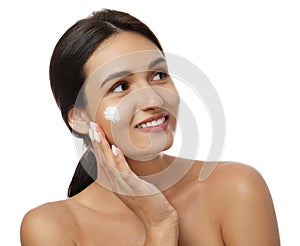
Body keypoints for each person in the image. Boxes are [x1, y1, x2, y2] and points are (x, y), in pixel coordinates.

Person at [20, 9, 280, 245]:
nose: (155, 99)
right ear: (79, 117)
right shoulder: (51, 228)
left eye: (159, 76)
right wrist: (159, 226)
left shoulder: (236, 189)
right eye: (120, 87)